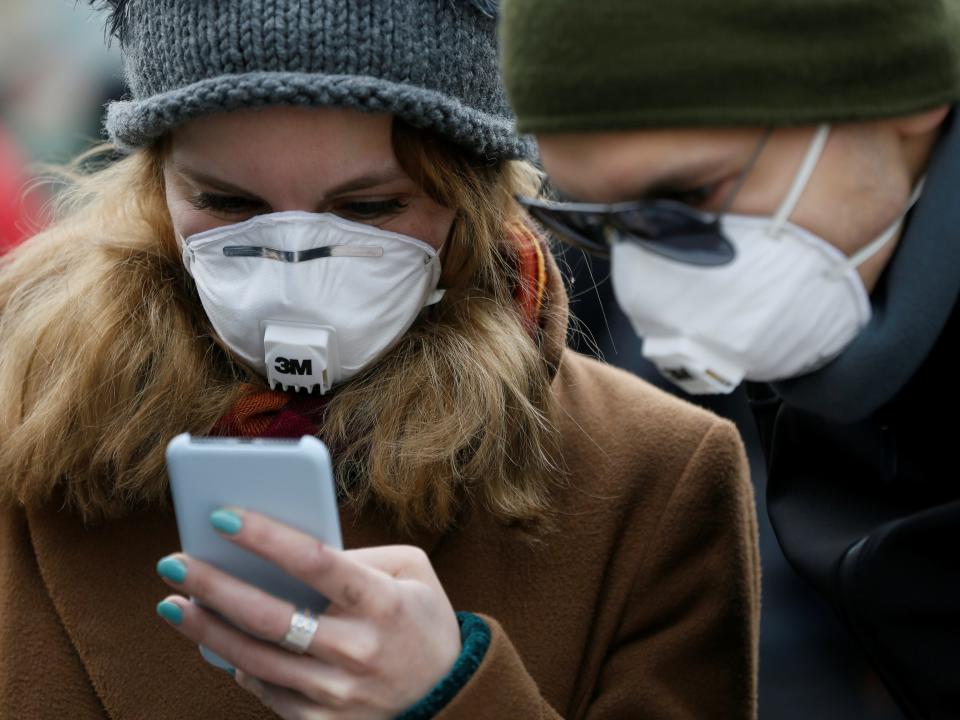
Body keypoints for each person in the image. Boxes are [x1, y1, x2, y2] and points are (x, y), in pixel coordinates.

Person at [0, 1, 760, 718]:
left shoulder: (654, 478)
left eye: (368, 209)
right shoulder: (20, 408)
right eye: (228, 204)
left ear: (472, 197)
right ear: (156, 184)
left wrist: (451, 697)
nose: (291, 267)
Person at [499, 1, 960, 717]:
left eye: (688, 199)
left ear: (903, 90)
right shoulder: (838, 343)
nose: (653, 279)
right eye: (598, 225)